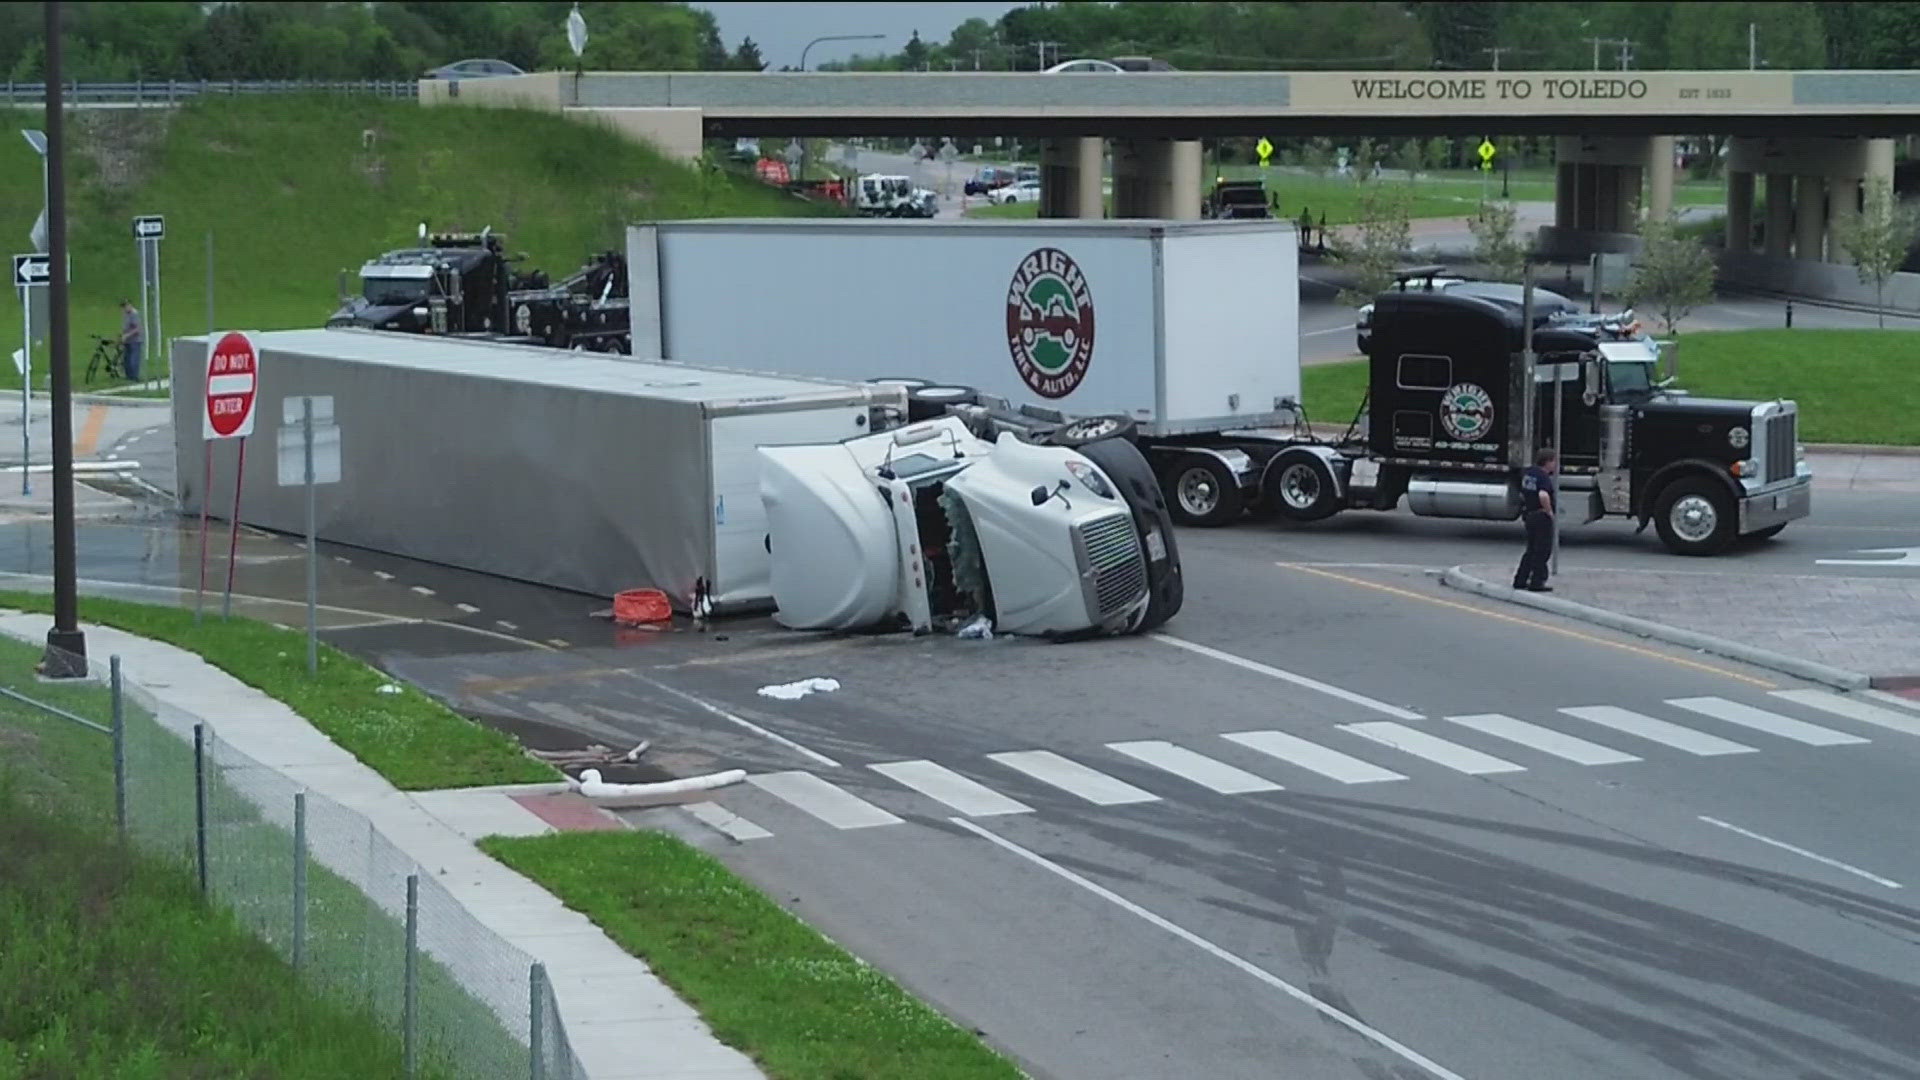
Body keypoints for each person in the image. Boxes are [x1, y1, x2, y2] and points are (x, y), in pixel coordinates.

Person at [1513, 447, 1558, 592]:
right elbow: (1543, 495)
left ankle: (1520, 579)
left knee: (1531, 549)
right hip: (1540, 515)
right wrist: (1549, 511)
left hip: (1529, 514)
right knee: (1542, 550)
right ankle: (1537, 581)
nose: (1555, 465)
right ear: (1548, 462)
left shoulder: (1529, 473)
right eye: (1554, 461)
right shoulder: (1543, 477)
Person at [118, 299, 143, 382]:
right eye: (123, 307)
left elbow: (137, 329)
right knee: (126, 360)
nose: (124, 308)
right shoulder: (126, 315)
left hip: (135, 340)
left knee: (133, 359)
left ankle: (134, 377)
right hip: (127, 340)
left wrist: (127, 335)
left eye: (126, 306)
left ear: (130, 305)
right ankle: (128, 377)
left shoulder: (134, 314)